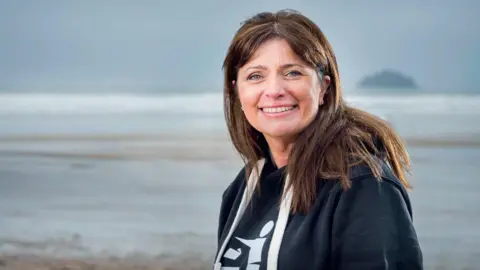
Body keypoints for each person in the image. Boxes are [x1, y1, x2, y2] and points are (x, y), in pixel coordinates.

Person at [213, 9, 423, 270]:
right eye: (255, 76)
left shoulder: (362, 184)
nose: (275, 90)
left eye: (292, 73)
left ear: (323, 87)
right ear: (237, 92)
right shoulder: (243, 188)